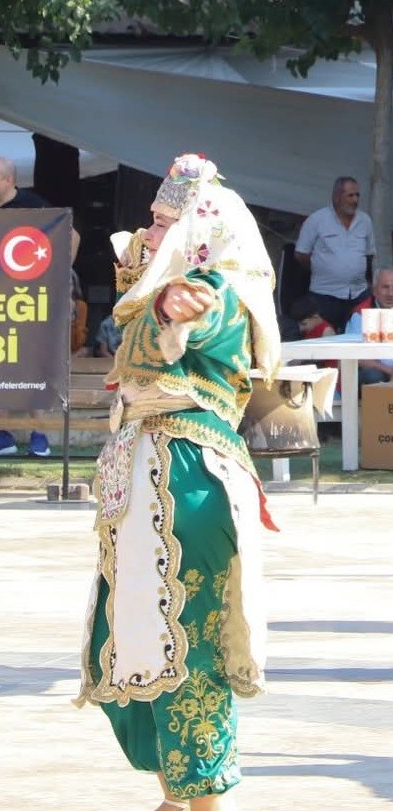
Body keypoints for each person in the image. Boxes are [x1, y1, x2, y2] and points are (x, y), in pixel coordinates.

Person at [75, 153, 281, 811]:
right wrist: (155, 284)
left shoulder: (213, 293)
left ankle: (203, 798)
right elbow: (144, 302)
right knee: (141, 633)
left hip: (188, 479)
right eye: (152, 221)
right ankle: (178, 791)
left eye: (164, 223)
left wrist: (173, 306)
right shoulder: (163, 282)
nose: (149, 232)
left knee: (183, 635)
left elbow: (180, 326)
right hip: (151, 479)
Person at [0, 156, 53, 458]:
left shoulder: (35, 206)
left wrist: (58, 276)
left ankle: (40, 435)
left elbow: (71, 236)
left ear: (9, 180)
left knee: (31, 368)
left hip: (28, 304)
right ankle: (3, 434)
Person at [294, 177, 375, 331]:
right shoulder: (317, 220)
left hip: (358, 294)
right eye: (350, 196)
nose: (355, 200)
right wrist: (322, 267)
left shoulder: (365, 221)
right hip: (324, 295)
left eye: (357, 195)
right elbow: (300, 253)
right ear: (336, 197)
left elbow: (369, 254)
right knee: (324, 340)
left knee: (360, 338)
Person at [345, 267, 393, 386]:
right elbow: (356, 356)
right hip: (380, 370)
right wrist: (390, 371)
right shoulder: (360, 314)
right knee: (372, 375)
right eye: (385, 287)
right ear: (374, 290)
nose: (391, 293)